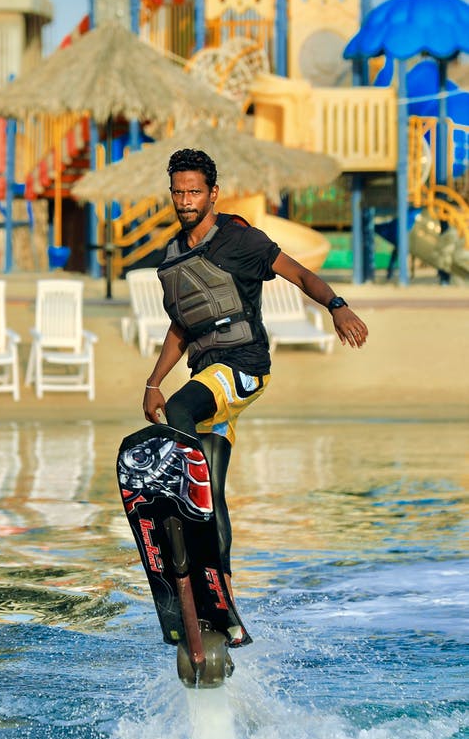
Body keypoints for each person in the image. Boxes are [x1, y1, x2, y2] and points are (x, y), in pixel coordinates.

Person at [143, 148, 368, 601]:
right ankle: (218, 590)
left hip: (244, 367)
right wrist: (153, 382)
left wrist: (337, 306)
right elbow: (182, 325)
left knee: (181, 409)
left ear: (213, 194)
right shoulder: (171, 256)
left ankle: (181, 530)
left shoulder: (241, 240)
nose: (186, 200)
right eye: (178, 192)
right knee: (214, 486)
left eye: (194, 192)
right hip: (210, 377)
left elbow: (301, 275)